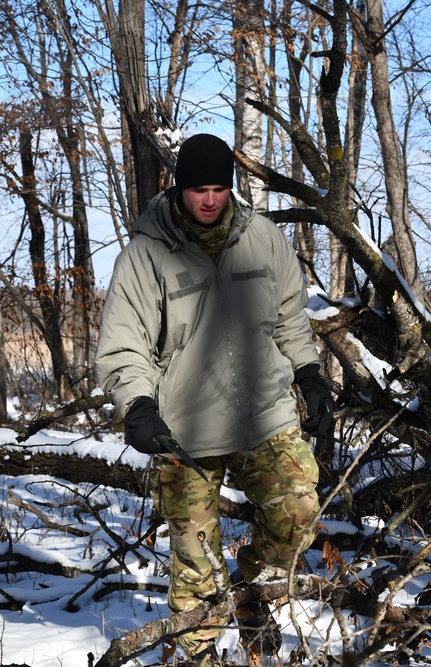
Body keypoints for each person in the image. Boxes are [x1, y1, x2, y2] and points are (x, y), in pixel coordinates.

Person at [95, 133, 334, 663]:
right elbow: (123, 344)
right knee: (196, 566)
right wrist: (136, 404)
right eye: (198, 188)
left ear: (231, 188)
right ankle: (197, 654)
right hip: (185, 428)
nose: (208, 199)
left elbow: (291, 318)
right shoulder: (145, 254)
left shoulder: (264, 238)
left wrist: (311, 376)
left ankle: (249, 596)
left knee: (298, 511)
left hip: (263, 412)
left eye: (219, 188)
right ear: (179, 188)